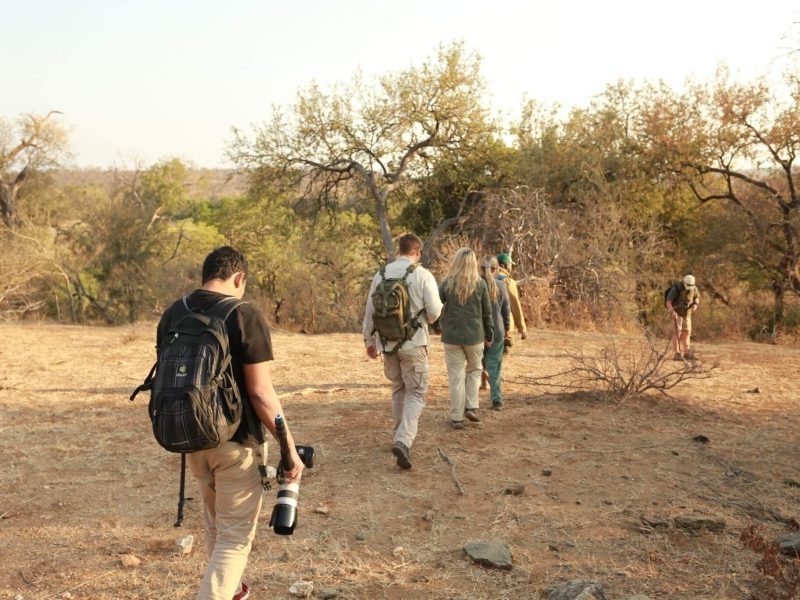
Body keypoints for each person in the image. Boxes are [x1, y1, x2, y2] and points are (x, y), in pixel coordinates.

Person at [156, 246, 304, 600]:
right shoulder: (243, 314)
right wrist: (290, 448)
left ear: (207, 275)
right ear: (239, 278)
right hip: (236, 444)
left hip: (190, 439)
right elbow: (261, 394)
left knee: (217, 528)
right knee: (235, 538)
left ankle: (234, 592)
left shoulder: (174, 313)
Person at [363, 233, 443, 469]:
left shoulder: (381, 274)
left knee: (398, 388)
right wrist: (424, 320)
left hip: (388, 343)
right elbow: (435, 310)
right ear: (417, 252)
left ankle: (398, 434)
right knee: (417, 392)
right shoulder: (422, 274)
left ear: (399, 250)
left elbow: (369, 311)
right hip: (414, 343)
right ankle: (403, 441)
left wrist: (369, 341)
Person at [438, 248, 493, 429]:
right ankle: (471, 406)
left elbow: (435, 307)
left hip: (452, 336)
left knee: (456, 375)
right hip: (475, 335)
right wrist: (489, 334)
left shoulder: (447, 283)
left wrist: (436, 327)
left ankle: (456, 417)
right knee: (475, 370)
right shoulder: (480, 284)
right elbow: (487, 313)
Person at [481, 256, 510, 410]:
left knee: (477, 365)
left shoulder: (476, 284)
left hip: (478, 332)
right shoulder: (501, 285)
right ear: (496, 269)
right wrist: (507, 330)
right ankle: (497, 399)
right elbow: (506, 311)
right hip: (497, 331)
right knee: (495, 366)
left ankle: (470, 401)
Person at [496, 252, 527, 354]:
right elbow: (515, 306)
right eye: (510, 265)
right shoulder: (508, 282)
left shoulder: (486, 279)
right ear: (504, 265)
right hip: (504, 328)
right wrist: (522, 328)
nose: (511, 267)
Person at [666, 274, 700, 360]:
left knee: (687, 333)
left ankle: (687, 353)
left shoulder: (694, 288)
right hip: (677, 313)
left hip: (687, 314)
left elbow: (697, 297)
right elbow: (668, 301)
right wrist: (672, 311)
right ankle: (677, 354)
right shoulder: (676, 288)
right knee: (677, 333)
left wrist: (695, 304)